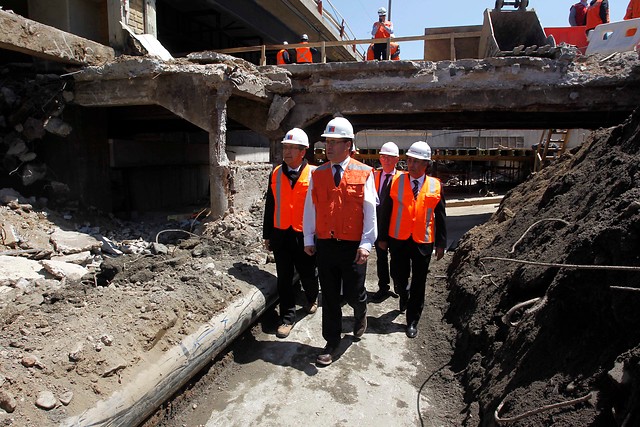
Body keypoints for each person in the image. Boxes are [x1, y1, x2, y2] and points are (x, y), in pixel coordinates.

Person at [303, 116, 377, 366]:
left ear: (348, 145)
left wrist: (366, 244)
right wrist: (308, 237)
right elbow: (310, 208)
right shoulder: (318, 173)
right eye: (327, 142)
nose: (329, 147)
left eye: (335, 142)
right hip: (326, 244)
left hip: (352, 246)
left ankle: (360, 311)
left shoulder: (364, 172)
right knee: (331, 295)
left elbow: (369, 212)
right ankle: (332, 341)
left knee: (354, 292)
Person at [377, 141, 446, 339]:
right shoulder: (395, 182)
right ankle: (402, 292)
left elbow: (440, 216)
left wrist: (441, 243)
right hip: (398, 240)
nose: (412, 165)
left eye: (417, 161)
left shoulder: (436, 185)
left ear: (426, 164)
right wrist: (382, 238)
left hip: (422, 242)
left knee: (419, 282)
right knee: (398, 275)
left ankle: (412, 320)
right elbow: (385, 212)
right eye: (409, 160)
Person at [263, 128, 319, 338]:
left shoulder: (315, 174)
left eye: (291, 148)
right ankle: (287, 317)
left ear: (303, 151)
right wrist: (266, 234)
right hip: (281, 235)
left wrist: (317, 237)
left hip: (304, 235)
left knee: (308, 273)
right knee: (284, 278)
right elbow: (271, 205)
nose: (286, 152)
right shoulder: (276, 173)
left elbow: (320, 207)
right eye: (285, 147)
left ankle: (312, 296)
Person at [371, 142, 403, 302]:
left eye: (390, 157)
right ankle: (383, 287)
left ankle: (399, 285)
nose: (386, 160)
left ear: (397, 159)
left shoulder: (402, 178)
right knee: (381, 258)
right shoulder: (374, 176)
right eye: (383, 156)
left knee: (397, 259)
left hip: (396, 226)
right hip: (378, 225)